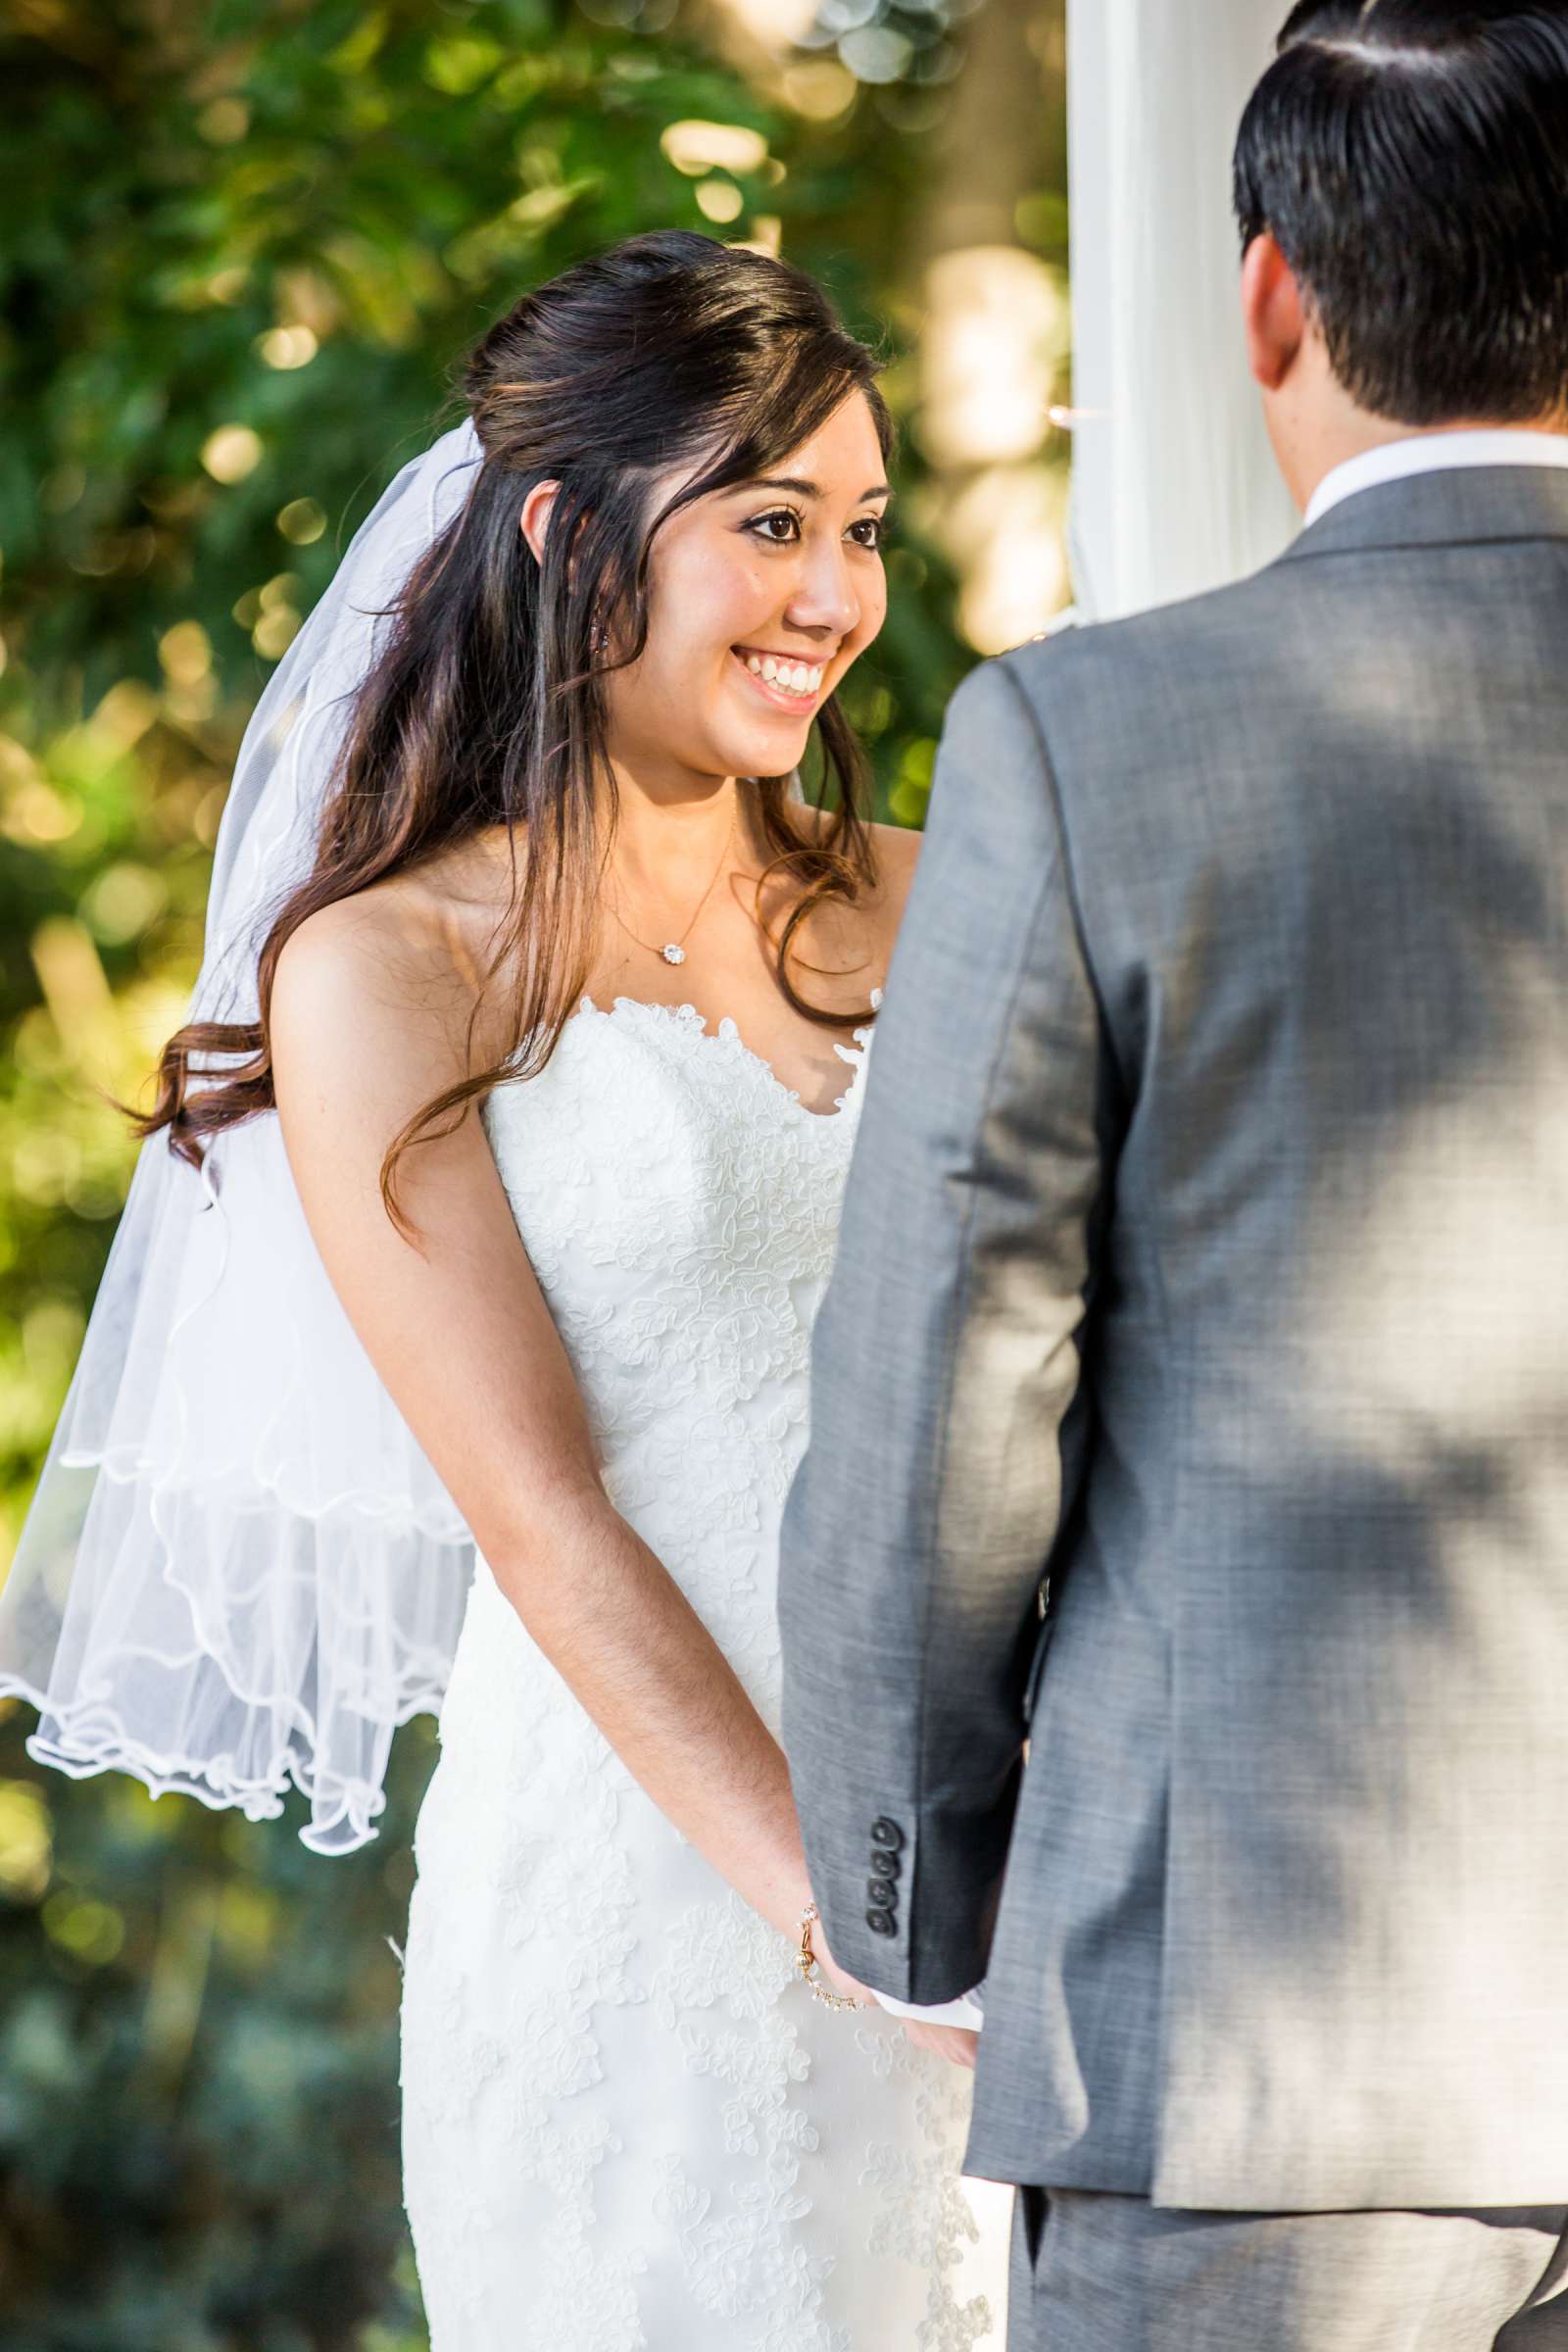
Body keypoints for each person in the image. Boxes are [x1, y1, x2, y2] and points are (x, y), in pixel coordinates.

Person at [0, 232, 1009, 2343]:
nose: (830, 596)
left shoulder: (941, 896)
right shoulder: (386, 971)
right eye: (764, 526)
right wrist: (855, 1934)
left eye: (858, 533)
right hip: (656, 1899)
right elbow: (541, 1521)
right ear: (562, 534)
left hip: (1010, 1867)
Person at [778, 6, 1568, 2347]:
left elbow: (942, 1397)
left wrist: (921, 1904)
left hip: (1251, 2049)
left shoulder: (1083, 737)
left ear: (1264, 297)